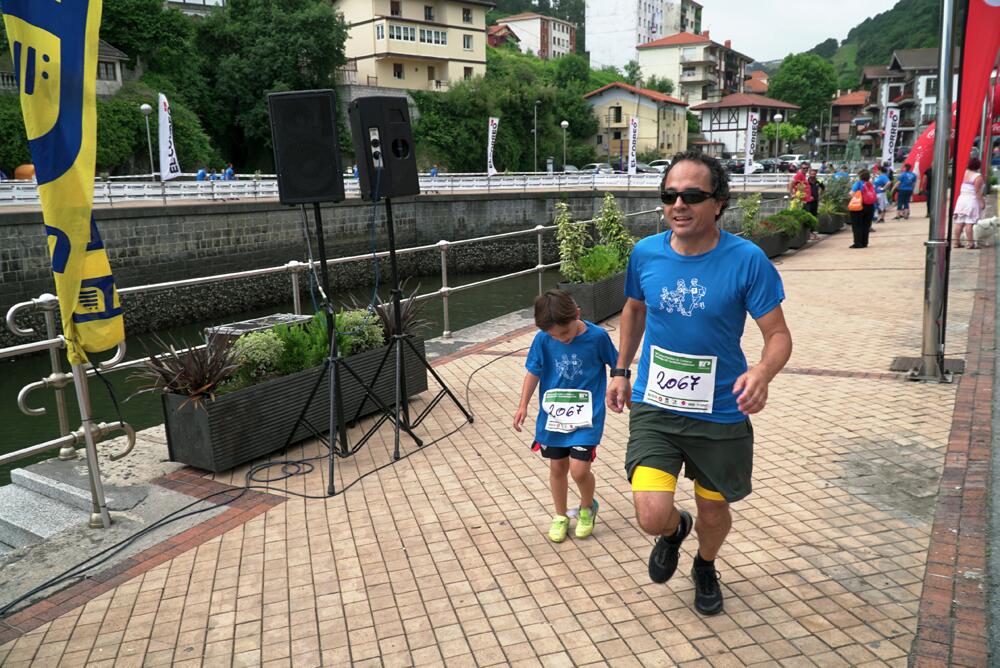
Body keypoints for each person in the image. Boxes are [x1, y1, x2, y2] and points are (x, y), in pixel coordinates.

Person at [607, 151, 792, 616]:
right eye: (669, 195)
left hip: (720, 411)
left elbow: (778, 335)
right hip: (657, 402)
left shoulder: (747, 260)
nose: (679, 205)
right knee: (651, 513)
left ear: (719, 202)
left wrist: (762, 373)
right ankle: (673, 531)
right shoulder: (645, 253)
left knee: (714, 510)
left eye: (692, 195)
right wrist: (621, 369)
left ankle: (705, 565)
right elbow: (633, 310)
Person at [514, 289, 619, 543]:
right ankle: (560, 515)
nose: (561, 339)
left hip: (587, 416)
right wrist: (523, 404)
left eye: (565, 332)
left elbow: (617, 366)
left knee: (580, 470)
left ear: (577, 315)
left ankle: (586, 507)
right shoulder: (543, 340)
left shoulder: (598, 337)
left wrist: (619, 389)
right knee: (558, 467)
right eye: (554, 335)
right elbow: (533, 371)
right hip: (555, 416)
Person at [953, 157, 987, 249]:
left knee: (959, 222)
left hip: (961, 199)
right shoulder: (977, 177)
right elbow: (977, 191)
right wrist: (982, 202)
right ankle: (970, 243)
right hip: (971, 200)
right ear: (978, 166)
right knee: (969, 223)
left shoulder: (963, 174)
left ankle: (956, 242)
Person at [849, 168, 877, 248]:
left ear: (860, 176)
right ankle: (865, 242)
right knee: (866, 225)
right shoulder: (870, 184)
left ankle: (858, 243)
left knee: (857, 225)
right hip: (870, 206)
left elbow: (852, 193)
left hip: (859, 206)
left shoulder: (858, 183)